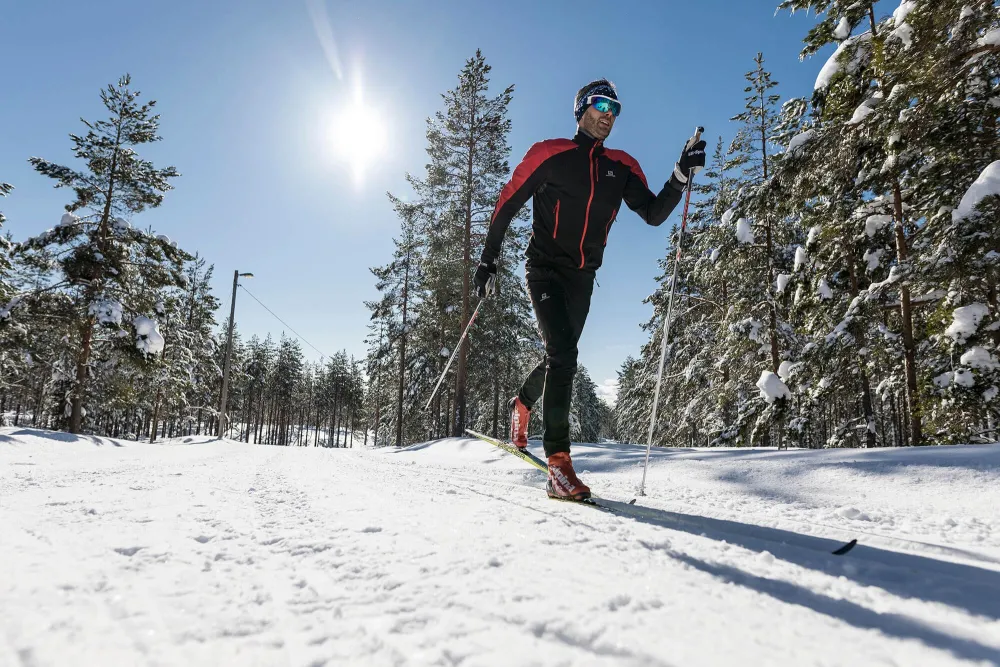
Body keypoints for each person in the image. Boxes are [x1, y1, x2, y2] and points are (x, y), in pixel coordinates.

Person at [474, 79, 706, 501]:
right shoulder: (550, 154)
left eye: (615, 108)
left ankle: (523, 403)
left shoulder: (622, 166)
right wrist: (487, 261)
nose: (608, 114)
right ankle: (558, 467)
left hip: (582, 278)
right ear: (581, 108)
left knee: (558, 356)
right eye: (601, 104)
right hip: (543, 270)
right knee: (564, 355)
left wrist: (679, 174)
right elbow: (507, 203)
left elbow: (653, 214)